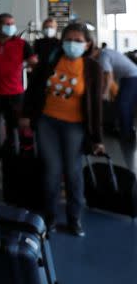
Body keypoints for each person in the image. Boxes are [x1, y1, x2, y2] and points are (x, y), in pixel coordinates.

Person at [22, 22, 105, 236]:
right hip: (47, 122)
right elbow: (34, 88)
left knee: (73, 172)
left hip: (75, 127)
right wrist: (25, 115)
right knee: (51, 171)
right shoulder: (51, 59)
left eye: (78, 41)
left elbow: (95, 105)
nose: (72, 44)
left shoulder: (92, 68)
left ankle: (74, 218)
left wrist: (97, 138)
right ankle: (48, 217)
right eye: (68, 40)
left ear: (87, 44)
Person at [0, 13, 38, 168]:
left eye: (12, 23)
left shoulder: (22, 44)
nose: (10, 26)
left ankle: (12, 159)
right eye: (6, 23)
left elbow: (34, 63)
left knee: (14, 129)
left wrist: (31, 73)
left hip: (14, 93)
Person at [94, 45, 137, 142]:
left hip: (132, 77)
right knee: (123, 105)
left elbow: (109, 76)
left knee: (123, 105)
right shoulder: (106, 52)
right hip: (128, 77)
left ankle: (126, 135)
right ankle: (127, 132)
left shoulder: (102, 56)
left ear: (95, 50)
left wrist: (105, 93)